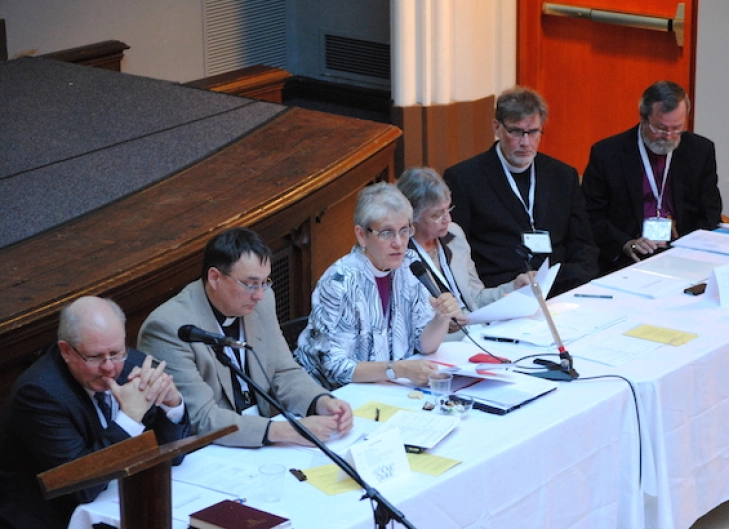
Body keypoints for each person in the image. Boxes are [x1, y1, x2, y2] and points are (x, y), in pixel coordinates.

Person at [137, 227, 353, 448]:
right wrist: (285, 431)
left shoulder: (263, 300)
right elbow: (201, 418)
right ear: (215, 278)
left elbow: (283, 372)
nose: (259, 294)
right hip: (217, 449)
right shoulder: (168, 327)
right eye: (250, 284)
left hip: (266, 435)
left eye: (264, 282)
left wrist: (320, 401)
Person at [0, 296, 190, 529]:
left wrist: (171, 405)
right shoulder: (39, 394)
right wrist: (129, 419)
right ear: (66, 351)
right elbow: (81, 485)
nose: (109, 367)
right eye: (95, 357)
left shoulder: (132, 366)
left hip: (119, 498)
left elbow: (172, 456)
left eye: (116, 352)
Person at [293, 182, 463, 390]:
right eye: (387, 233)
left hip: (388, 389)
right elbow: (334, 367)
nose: (399, 243)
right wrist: (398, 369)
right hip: (333, 396)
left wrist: (441, 317)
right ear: (362, 235)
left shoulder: (410, 265)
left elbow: (425, 345)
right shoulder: (339, 282)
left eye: (404, 231)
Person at [443, 85, 598, 296]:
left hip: (559, 286)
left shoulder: (563, 175)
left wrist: (574, 279)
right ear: (497, 128)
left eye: (533, 132)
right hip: (502, 291)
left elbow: (583, 245)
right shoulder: (464, 178)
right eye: (516, 132)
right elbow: (458, 253)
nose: (525, 142)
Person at [582, 80, 723, 275]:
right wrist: (625, 244)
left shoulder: (700, 151)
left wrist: (688, 246)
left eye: (677, 128)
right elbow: (591, 215)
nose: (669, 136)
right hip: (629, 255)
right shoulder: (607, 154)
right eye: (661, 128)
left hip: (684, 253)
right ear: (643, 118)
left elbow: (710, 211)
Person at [396, 166, 532, 339]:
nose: (448, 219)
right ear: (411, 218)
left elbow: (476, 298)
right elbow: (406, 327)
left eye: (448, 209)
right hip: (441, 344)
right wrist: (441, 323)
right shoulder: (399, 256)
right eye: (437, 215)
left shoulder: (454, 236)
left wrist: (514, 287)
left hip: (477, 332)